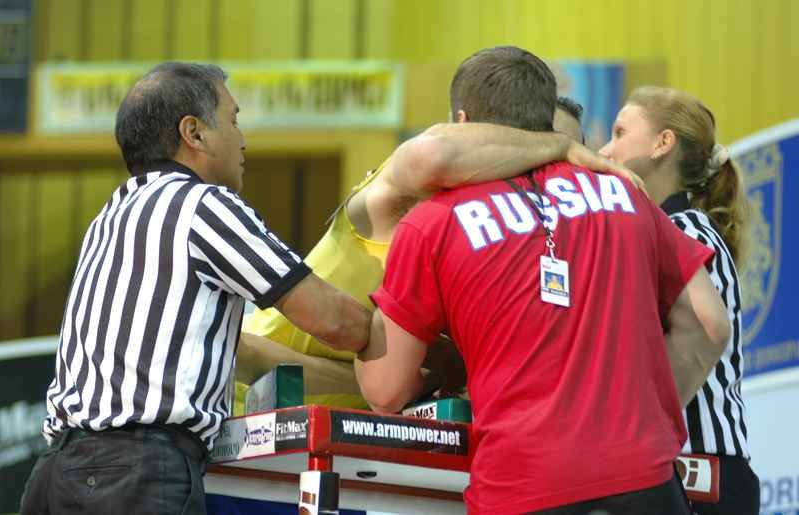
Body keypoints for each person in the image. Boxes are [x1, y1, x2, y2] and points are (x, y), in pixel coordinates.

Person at [355, 46, 731, 514]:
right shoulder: (627, 194)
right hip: (646, 481)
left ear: (461, 120)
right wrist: (640, 425)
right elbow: (709, 324)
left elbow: (385, 389)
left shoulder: (431, 222)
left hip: (523, 487)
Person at [20, 62, 372, 515]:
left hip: (55, 473)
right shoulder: (203, 206)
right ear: (194, 133)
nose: (243, 138)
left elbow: (242, 352)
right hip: (135, 472)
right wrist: (426, 355)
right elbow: (335, 322)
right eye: (234, 119)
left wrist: (356, 386)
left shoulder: (112, 217)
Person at [235, 80, 637, 411]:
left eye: (568, 159)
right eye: (533, 147)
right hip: (251, 429)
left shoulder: (529, 249)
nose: (547, 172)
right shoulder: (405, 199)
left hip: (363, 454)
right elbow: (251, 352)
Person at [599, 85, 759, 515]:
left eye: (619, 132)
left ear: (662, 143)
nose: (604, 149)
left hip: (700, 474)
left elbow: (706, 328)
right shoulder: (675, 226)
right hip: (690, 474)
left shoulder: (683, 230)